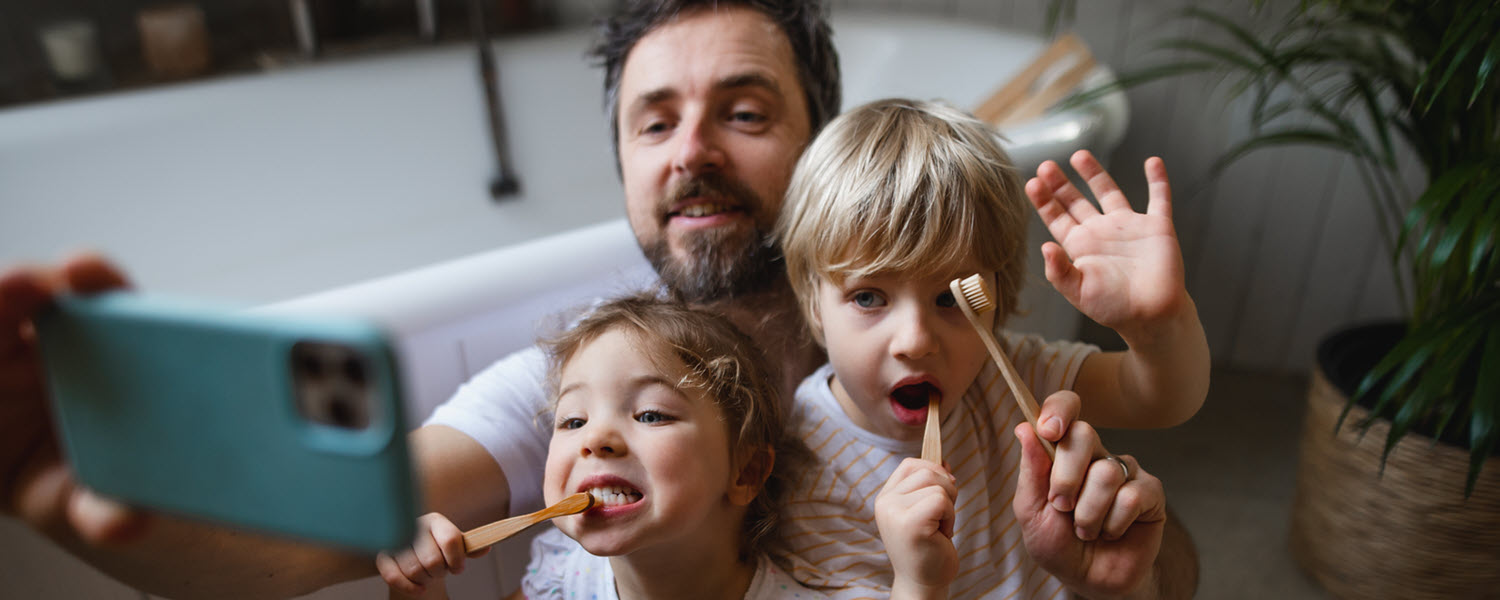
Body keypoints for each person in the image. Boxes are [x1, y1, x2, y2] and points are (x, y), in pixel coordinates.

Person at [0, 1, 1198, 598]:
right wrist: (68, 482)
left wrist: (1135, 565)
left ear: (823, 146)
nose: (691, 154)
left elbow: (1171, 562)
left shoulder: (976, 353)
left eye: (742, 110)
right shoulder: (582, 380)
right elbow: (302, 530)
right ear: (622, 165)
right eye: (654, 122)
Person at [772, 98, 1210, 599]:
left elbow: (1162, 400)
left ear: (995, 296)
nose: (915, 341)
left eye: (949, 298)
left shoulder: (1012, 372)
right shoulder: (803, 468)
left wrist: (1156, 327)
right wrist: (917, 582)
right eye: (868, 297)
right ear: (812, 301)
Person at [378, 293, 824, 600]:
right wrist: (418, 588)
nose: (595, 439)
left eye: (650, 414)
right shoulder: (564, 580)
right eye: (573, 420)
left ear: (744, 472)